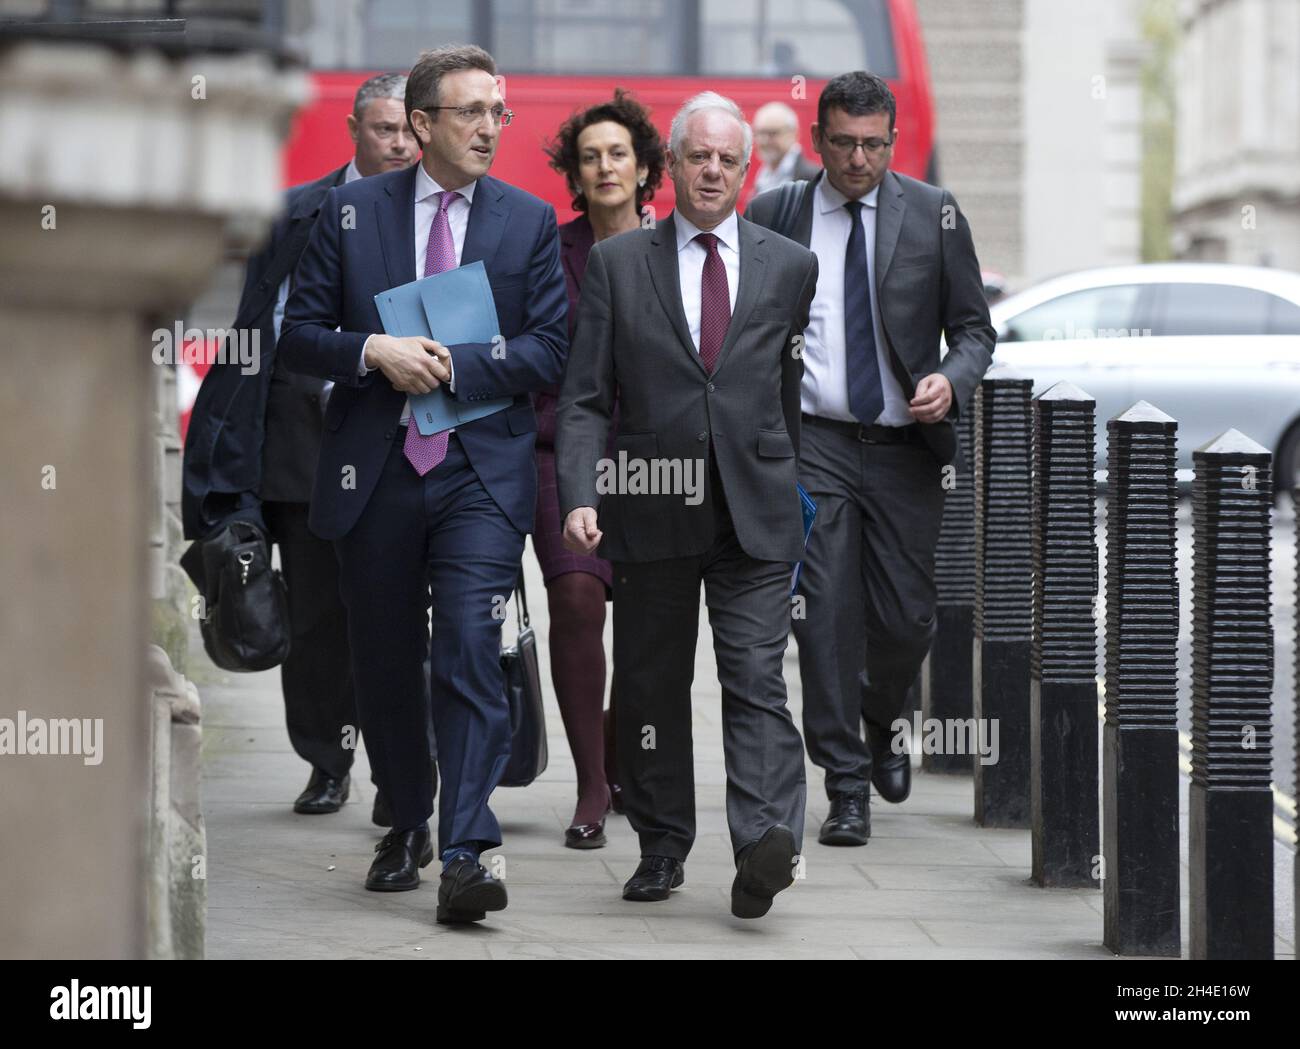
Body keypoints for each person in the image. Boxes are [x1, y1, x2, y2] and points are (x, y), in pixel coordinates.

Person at [278, 45, 568, 925]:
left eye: (498, 113)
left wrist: (457, 366)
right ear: (421, 123)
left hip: (480, 472)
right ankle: (406, 815)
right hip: (378, 472)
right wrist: (373, 351)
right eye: (472, 112)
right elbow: (296, 333)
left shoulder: (528, 222)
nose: (490, 128)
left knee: (471, 649)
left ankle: (469, 845)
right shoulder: (352, 212)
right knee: (386, 660)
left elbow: (552, 349)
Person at [556, 92, 818, 920]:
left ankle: (766, 843)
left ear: (747, 170)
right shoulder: (620, 264)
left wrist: (786, 481)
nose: (712, 170)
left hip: (755, 515)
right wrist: (580, 492)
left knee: (754, 679)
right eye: (697, 156)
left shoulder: (790, 264)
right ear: (670, 167)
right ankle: (663, 844)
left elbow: (783, 392)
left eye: (727, 159)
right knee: (650, 686)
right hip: (648, 506)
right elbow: (586, 398)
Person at [746, 71, 995, 847]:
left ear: (891, 141)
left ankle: (885, 715)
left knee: (904, 618)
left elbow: (976, 331)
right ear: (818, 140)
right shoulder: (777, 213)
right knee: (820, 619)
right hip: (813, 443)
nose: (859, 159)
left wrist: (948, 382)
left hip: (903, 450)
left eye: (874, 145)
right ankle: (844, 783)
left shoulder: (933, 214)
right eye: (845, 143)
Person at [181, 73, 419, 820]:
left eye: (411, 130)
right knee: (317, 615)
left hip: (400, 443)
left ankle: (404, 765)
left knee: (396, 610)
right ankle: (326, 759)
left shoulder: (437, 215)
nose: (401, 145)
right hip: (299, 446)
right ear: (354, 129)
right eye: (386, 130)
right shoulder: (295, 214)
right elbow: (255, 330)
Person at [536, 90, 665, 849]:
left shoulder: (676, 253)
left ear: (645, 167)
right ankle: (590, 781)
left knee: (651, 620)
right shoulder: (549, 253)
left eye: (619, 153)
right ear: (575, 175)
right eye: (590, 157)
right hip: (560, 451)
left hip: (655, 461)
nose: (605, 166)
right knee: (579, 599)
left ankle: (620, 756)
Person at [751, 101, 820, 199]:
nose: (764, 140)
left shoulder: (814, 176)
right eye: (760, 133)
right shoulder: (763, 175)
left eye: (772, 133)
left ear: (793, 134)